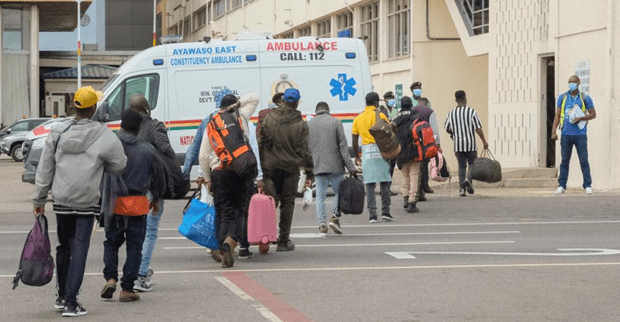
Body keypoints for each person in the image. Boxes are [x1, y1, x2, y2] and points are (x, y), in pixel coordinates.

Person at [33, 86, 127, 317]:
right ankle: (71, 303)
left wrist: (39, 198)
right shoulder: (104, 134)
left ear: (74, 106)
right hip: (86, 202)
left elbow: (46, 167)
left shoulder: (57, 132)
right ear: (93, 108)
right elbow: (120, 164)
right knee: (79, 250)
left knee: (63, 247)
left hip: (62, 200)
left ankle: (61, 295)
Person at [101, 109, 162, 303]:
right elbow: (158, 179)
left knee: (111, 242)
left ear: (121, 125)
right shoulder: (147, 149)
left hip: (114, 204)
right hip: (138, 203)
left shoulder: (111, 147)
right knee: (135, 247)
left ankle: (110, 278)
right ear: (139, 128)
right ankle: (127, 288)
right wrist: (156, 200)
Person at [199, 92, 259, 267]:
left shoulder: (212, 125)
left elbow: (203, 156)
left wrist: (208, 178)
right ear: (234, 107)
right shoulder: (241, 119)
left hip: (219, 172)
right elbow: (254, 98)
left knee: (224, 210)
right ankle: (231, 240)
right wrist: (237, 106)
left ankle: (221, 245)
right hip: (240, 170)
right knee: (240, 209)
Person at [259, 88, 314, 251]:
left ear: (283, 101)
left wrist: (262, 167)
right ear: (297, 103)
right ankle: (283, 241)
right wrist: (310, 171)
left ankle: (263, 237)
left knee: (270, 202)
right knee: (287, 204)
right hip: (290, 168)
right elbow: (304, 151)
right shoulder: (300, 124)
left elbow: (262, 142)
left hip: (270, 167)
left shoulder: (269, 118)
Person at [131, 94, 176, 292]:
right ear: (148, 108)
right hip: (152, 186)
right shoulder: (155, 126)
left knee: (134, 230)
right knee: (150, 230)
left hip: (132, 187)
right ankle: (141, 275)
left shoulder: (128, 128)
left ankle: (135, 271)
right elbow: (166, 149)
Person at [308, 102, 357, 236]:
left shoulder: (309, 125)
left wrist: (307, 169)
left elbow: (306, 149)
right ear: (328, 110)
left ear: (316, 111)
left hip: (318, 166)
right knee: (338, 192)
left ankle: (322, 225)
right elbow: (343, 147)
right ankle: (335, 217)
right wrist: (351, 167)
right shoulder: (336, 122)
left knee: (320, 196)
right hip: (335, 166)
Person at [352, 92, 393, 223]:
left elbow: (354, 137)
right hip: (381, 150)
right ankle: (386, 212)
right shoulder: (381, 115)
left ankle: (372, 215)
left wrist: (357, 155)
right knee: (385, 181)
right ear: (376, 102)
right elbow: (390, 131)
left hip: (367, 152)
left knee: (369, 183)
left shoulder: (358, 118)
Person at [551, 75, 596, 195]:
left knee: (583, 160)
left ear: (579, 83)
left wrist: (581, 117)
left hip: (580, 134)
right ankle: (562, 185)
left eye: (574, 82)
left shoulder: (584, 98)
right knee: (564, 161)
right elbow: (557, 114)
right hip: (566, 134)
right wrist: (553, 131)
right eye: (570, 82)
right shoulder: (563, 97)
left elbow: (593, 114)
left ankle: (587, 185)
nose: (572, 84)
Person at [444, 90, 488, 197]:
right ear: (465, 99)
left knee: (461, 166)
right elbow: (478, 128)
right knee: (472, 165)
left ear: (455, 100)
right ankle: (468, 180)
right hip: (470, 144)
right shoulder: (471, 111)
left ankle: (461, 189)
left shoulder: (451, 113)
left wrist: (453, 134)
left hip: (458, 144)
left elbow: (446, 128)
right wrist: (484, 140)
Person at [393, 97, 422, 213]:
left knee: (404, 175)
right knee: (414, 175)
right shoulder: (415, 114)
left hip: (401, 151)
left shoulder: (396, 117)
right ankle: (412, 202)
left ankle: (405, 199)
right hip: (414, 149)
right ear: (410, 104)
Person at [410, 82, 440, 195]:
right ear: (412, 90)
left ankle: (424, 185)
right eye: (416, 88)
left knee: (426, 161)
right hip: (416, 137)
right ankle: (419, 186)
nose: (418, 90)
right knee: (417, 163)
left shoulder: (427, 103)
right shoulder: (410, 103)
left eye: (419, 88)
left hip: (426, 137)